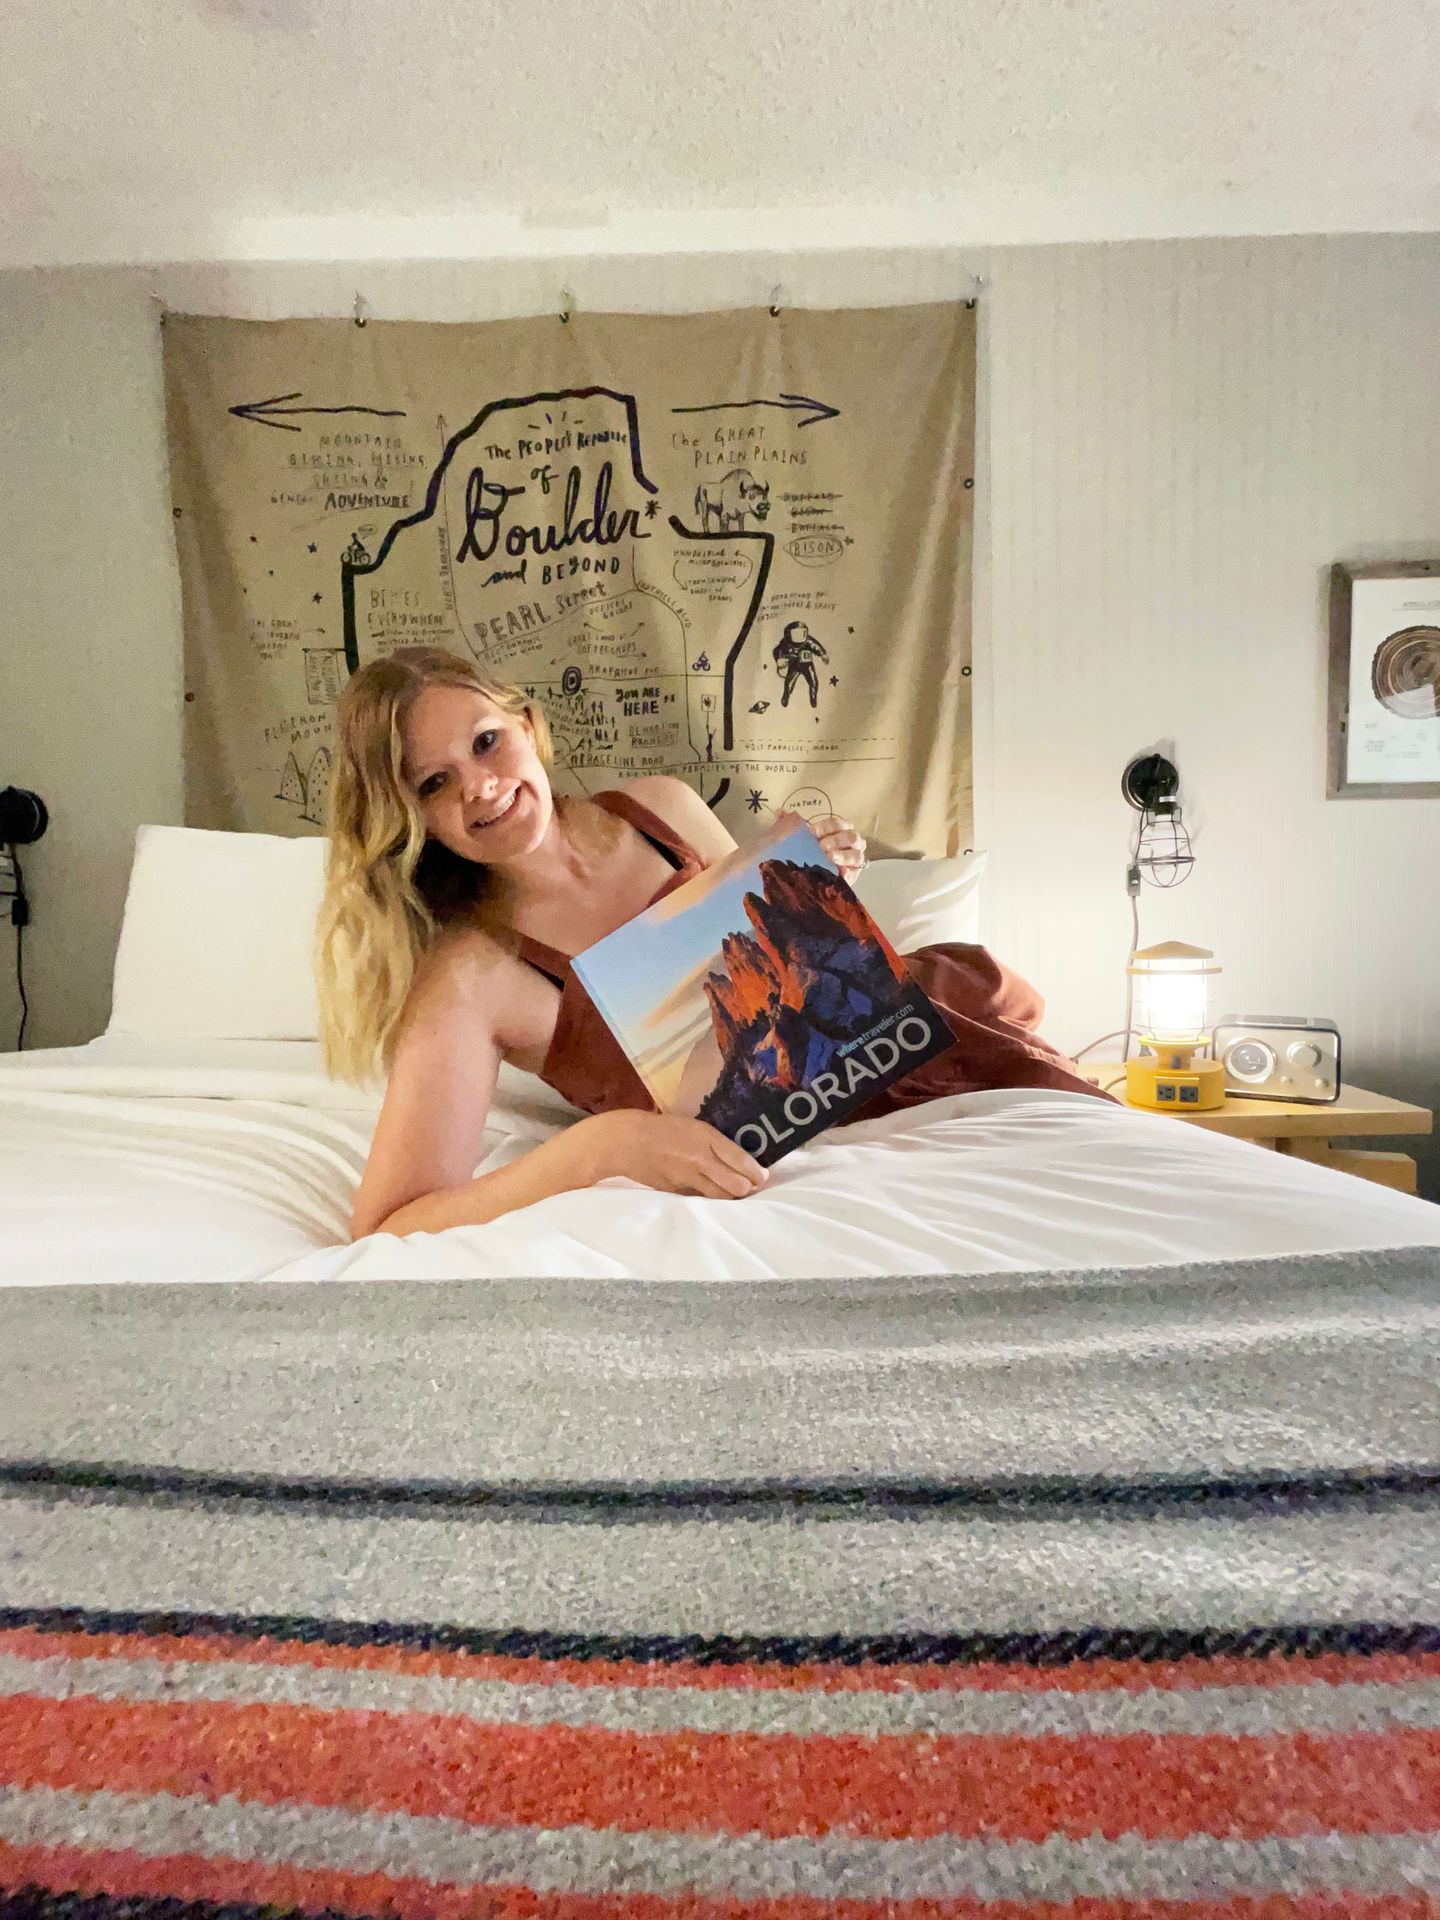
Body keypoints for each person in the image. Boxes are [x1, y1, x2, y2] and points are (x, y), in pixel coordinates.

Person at [316, 646, 1113, 1240]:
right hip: (770, 1146)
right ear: (409, 817)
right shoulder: (468, 975)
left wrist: (816, 886)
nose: (480, 786)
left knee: (1096, 1157)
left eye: (486, 742)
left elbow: (793, 972)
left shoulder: (659, 809)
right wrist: (603, 1148)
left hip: (912, 1045)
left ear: (527, 724)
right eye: (433, 783)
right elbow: (389, 1221)